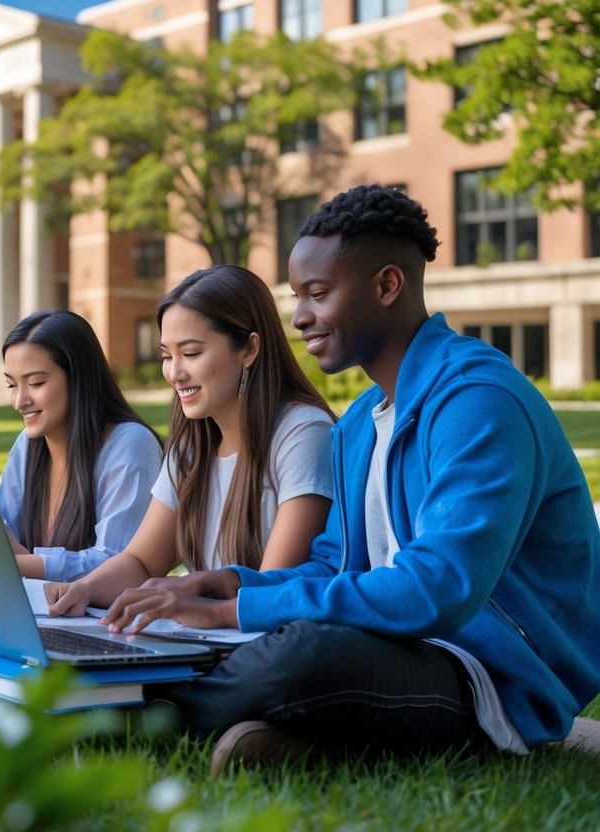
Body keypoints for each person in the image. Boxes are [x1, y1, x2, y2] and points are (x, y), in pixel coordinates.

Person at [94, 185, 600, 771]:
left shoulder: (478, 400)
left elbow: (437, 588)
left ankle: (123, 713)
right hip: (397, 649)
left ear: (387, 286)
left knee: (306, 654)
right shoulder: (359, 423)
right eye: (296, 296)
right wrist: (230, 585)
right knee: (283, 641)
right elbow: (330, 567)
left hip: (491, 676)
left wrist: (233, 614)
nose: (299, 316)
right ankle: (279, 736)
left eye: (318, 293)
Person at [47, 265, 335, 614]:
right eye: (167, 356)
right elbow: (140, 561)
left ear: (250, 348)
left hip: (259, 643)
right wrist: (81, 590)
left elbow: (269, 589)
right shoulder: (191, 447)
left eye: (192, 353)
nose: (175, 373)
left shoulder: (302, 433)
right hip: (206, 638)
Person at [0, 310, 163, 581]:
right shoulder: (27, 444)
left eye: (36, 383)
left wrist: (23, 563)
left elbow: (118, 563)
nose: (19, 401)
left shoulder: (130, 445)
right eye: (12, 385)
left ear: (78, 378)